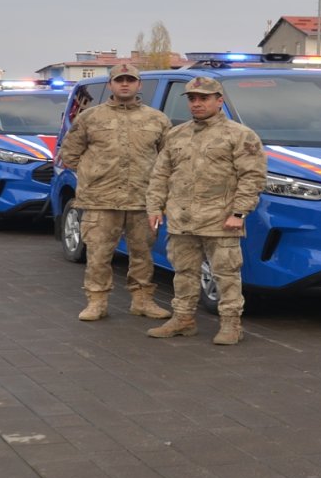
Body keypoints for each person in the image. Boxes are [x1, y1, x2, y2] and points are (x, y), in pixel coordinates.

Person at [146, 77, 267, 345]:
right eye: (192, 99)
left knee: (226, 274)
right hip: (182, 219)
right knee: (183, 272)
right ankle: (183, 319)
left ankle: (231, 325)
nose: (197, 103)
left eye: (204, 98)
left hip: (220, 220)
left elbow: (252, 177)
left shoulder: (240, 135)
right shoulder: (176, 134)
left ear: (219, 101)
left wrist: (239, 213)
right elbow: (160, 174)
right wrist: (154, 206)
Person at [59, 63, 172, 321]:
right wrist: (95, 174)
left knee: (143, 254)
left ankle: (142, 300)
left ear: (139, 85)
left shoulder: (157, 119)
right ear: (110, 84)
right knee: (98, 254)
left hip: (142, 200)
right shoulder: (90, 118)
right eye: (119, 80)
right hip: (101, 201)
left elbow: (167, 158)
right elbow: (70, 154)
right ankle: (96, 302)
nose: (125, 84)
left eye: (130, 80)